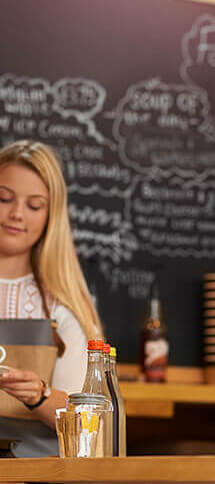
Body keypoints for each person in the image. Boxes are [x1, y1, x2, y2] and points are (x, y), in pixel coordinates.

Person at [0, 140, 102, 457]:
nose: (17, 214)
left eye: (34, 206)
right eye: (3, 199)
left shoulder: (64, 303)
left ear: (51, 216)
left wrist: (40, 396)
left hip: (34, 470)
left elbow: (88, 421)